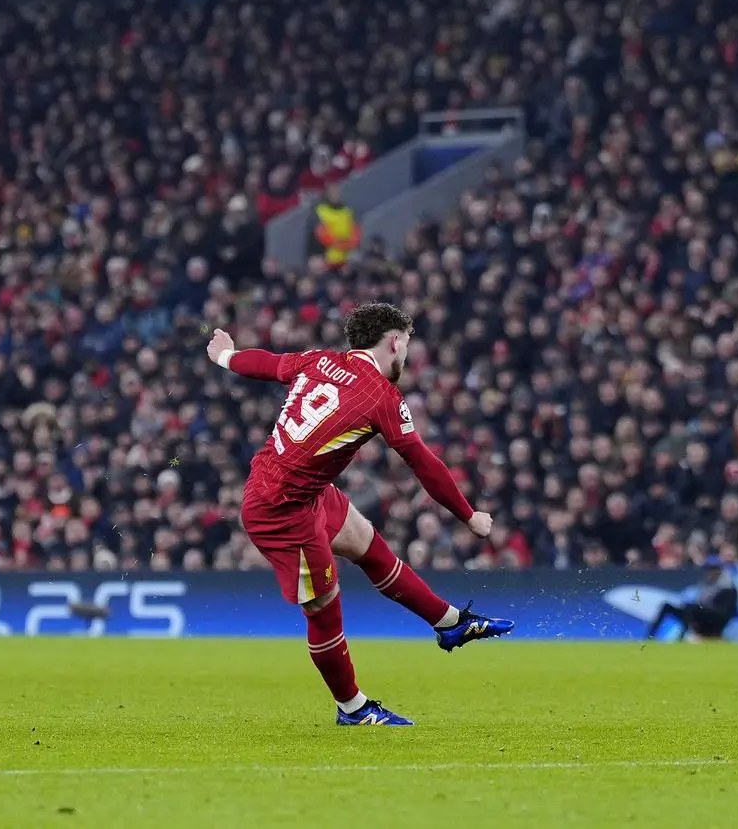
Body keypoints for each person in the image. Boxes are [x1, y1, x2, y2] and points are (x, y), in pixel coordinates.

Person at [205, 303, 514, 725]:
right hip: (280, 510)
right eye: (406, 344)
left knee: (366, 542)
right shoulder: (381, 395)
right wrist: (469, 516)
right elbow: (424, 463)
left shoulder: (320, 360)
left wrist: (225, 356)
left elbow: (268, 364)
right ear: (394, 341)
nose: (405, 355)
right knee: (325, 606)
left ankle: (450, 623)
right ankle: (352, 707)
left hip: (302, 489)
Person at [647, 557, 738, 641]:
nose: (710, 573)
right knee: (667, 606)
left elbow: (724, 610)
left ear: (719, 570)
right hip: (701, 615)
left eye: (712, 569)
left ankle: (681, 638)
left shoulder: (726, 585)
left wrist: (699, 608)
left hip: (715, 621)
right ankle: (650, 636)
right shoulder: (706, 584)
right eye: (708, 570)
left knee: (691, 608)